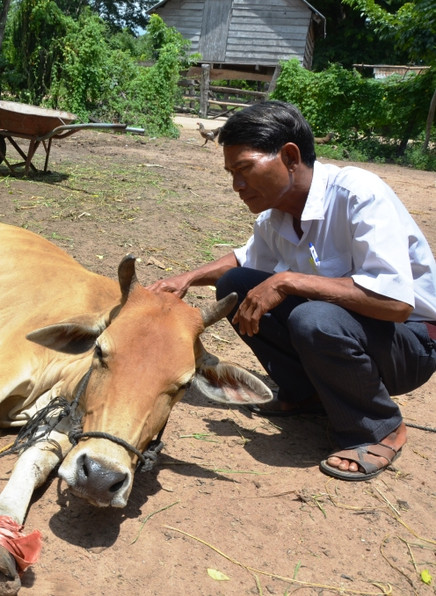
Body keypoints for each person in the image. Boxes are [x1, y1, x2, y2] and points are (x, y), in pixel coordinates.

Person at [148, 100, 436, 482]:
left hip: (411, 343)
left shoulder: (357, 194)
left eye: (244, 169)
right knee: (235, 287)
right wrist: (187, 278)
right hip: (352, 332)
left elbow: (397, 303)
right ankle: (306, 393)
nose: (237, 186)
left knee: (313, 317)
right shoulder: (276, 215)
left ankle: (379, 428)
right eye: (231, 173)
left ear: (289, 157)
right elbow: (244, 261)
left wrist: (289, 281)